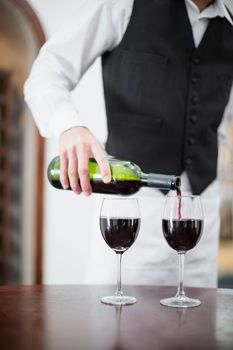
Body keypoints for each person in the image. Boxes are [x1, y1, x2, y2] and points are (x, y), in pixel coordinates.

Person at [24, 0, 233, 287]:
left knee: (194, 325)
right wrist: (69, 127)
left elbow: (220, 122)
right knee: (118, 324)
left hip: (202, 222)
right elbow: (46, 72)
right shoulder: (123, 4)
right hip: (130, 215)